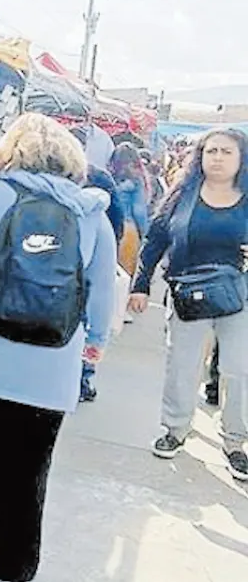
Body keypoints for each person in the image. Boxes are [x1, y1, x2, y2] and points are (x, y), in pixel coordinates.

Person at [0, 113, 116, 582]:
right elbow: (101, 289)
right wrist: (95, 341)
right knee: (29, 467)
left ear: (8, 151)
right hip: (49, 362)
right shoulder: (91, 214)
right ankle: (8, 566)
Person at [128, 128, 248, 481]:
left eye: (227, 151)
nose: (218, 157)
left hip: (240, 297)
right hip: (188, 295)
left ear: (241, 158)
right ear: (200, 156)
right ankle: (175, 430)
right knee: (181, 366)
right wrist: (140, 285)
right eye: (211, 151)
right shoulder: (183, 196)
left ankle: (236, 443)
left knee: (239, 370)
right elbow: (155, 240)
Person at [72, 127, 124, 403]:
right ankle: (82, 378)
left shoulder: (98, 178)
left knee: (85, 317)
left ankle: (82, 376)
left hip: (77, 263)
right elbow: (116, 220)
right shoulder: (99, 177)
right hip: (87, 261)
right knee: (87, 318)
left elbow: (115, 219)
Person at [110, 142, 150, 276]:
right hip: (128, 230)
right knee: (125, 278)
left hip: (109, 227)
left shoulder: (109, 178)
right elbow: (139, 211)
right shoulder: (136, 180)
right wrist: (145, 235)